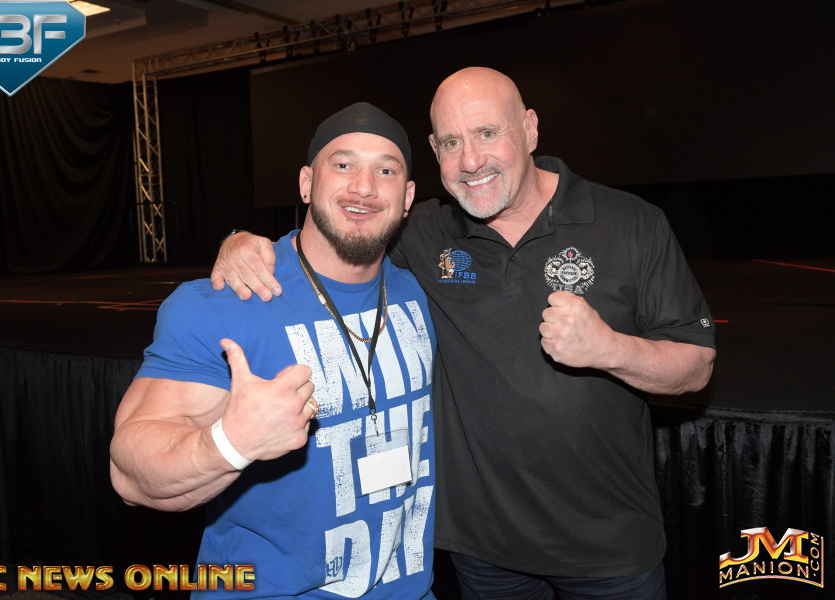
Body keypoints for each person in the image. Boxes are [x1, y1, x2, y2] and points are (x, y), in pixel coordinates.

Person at [211, 67, 716, 600]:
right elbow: (343, 231)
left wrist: (610, 349)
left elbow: (696, 366)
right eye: (451, 143)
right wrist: (241, 240)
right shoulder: (426, 231)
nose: (471, 161)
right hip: (483, 552)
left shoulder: (631, 223)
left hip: (608, 546)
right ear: (434, 150)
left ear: (530, 129)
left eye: (487, 133)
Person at [110, 102, 438, 599]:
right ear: (306, 183)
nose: (364, 186)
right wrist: (230, 442)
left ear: (408, 196)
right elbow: (130, 475)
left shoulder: (420, 290)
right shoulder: (225, 304)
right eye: (343, 164)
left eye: (386, 171)